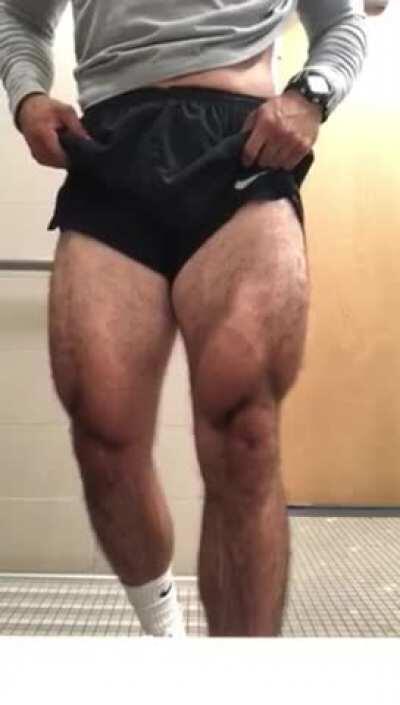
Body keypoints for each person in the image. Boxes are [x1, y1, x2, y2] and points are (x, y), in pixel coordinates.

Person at [0, 0, 367, 637]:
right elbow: (18, 17)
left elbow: (342, 22)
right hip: (110, 145)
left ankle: (237, 676)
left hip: (240, 142)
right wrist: (28, 97)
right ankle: (164, 636)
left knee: (244, 433)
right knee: (102, 435)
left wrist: (312, 94)